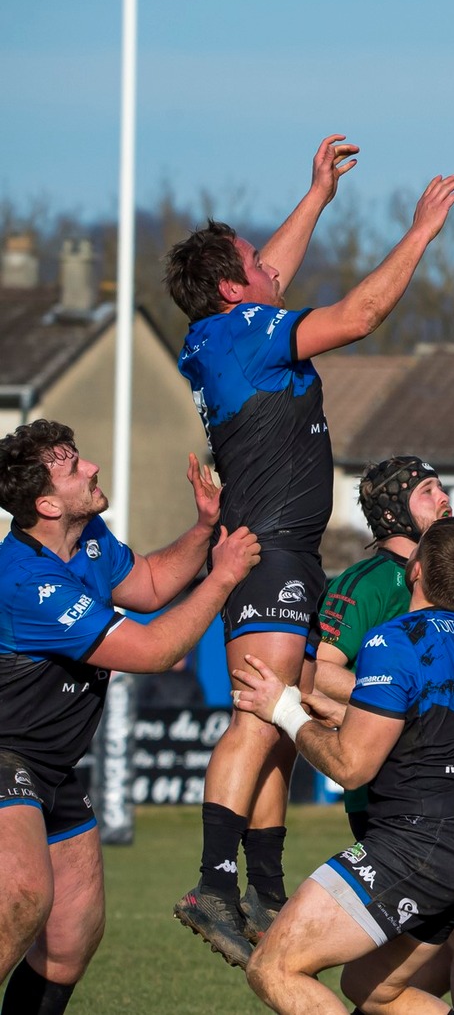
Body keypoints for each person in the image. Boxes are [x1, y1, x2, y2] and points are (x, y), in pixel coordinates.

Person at [162, 136, 454, 961]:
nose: (272, 264)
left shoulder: (220, 333)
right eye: (255, 260)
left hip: (278, 544)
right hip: (269, 548)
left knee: (282, 724)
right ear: (234, 287)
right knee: (259, 716)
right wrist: (420, 233)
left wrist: (318, 196)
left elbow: (270, 279)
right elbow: (361, 315)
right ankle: (214, 884)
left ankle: (260, 886)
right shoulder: (246, 333)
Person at [0, 420, 261, 1009]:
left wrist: (203, 531)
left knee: (71, 937)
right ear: (45, 503)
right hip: (5, 756)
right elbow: (152, 650)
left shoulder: (87, 539)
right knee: (19, 900)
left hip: (52, 767)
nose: (91, 467)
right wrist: (222, 574)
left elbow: (145, 584)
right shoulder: (25, 581)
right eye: (72, 467)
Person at [235, 518, 454, 1015]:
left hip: (415, 843)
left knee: (274, 968)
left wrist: (285, 710)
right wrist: (349, 716)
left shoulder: (395, 640)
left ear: (415, 570)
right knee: (372, 989)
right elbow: (426, 735)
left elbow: (351, 767)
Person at [311, 456, 454, 1011]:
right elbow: (318, 675)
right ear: (393, 509)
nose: (445, 499)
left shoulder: (452, 587)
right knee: (442, 952)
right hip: (397, 799)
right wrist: (404, 699)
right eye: (429, 491)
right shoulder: (365, 582)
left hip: (439, 800)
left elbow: (444, 674)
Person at [137, 654, 210, 712]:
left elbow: (200, 705)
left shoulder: (192, 680)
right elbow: (143, 700)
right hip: (158, 723)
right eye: (177, 657)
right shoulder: (157, 677)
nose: (180, 660)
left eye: (183, 657)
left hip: (182, 724)